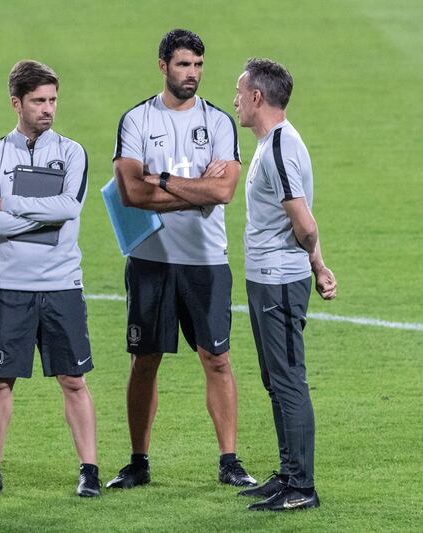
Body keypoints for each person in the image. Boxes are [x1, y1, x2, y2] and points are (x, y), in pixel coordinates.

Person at [108, 29, 257, 490]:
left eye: (198, 66)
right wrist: (195, 195)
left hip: (206, 260)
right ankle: (138, 461)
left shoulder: (218, 123)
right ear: (163, 66)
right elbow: (131, 192)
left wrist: (165, 179)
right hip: (150, 259)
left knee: (217, 358)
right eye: (183, 65)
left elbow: (225, 190)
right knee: (145, 359)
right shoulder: (135, 120)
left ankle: (229, 460)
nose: (192, 74)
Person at [0, 60, 100, 498]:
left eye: (53, 100)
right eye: (38, 101)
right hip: (8, 285)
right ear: (16, 103)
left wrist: (15, 206)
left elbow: (69, 209)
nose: (47, 109)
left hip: (62, 283)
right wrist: (40, 219)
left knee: (74, 380)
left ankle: (90, 470)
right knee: (1, 380)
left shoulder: (73, 152)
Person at [232, 58, 337, 511]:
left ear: (258, 97)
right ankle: (288, 472)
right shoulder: (270, 143)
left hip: (278, 281)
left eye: (240, 93)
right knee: (276, 380)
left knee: (289, 380)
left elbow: (305, 222)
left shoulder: (279, 147)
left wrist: (313, 262)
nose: (235, 100)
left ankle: (302, 487)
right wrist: (317, 265)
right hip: (267, 278)